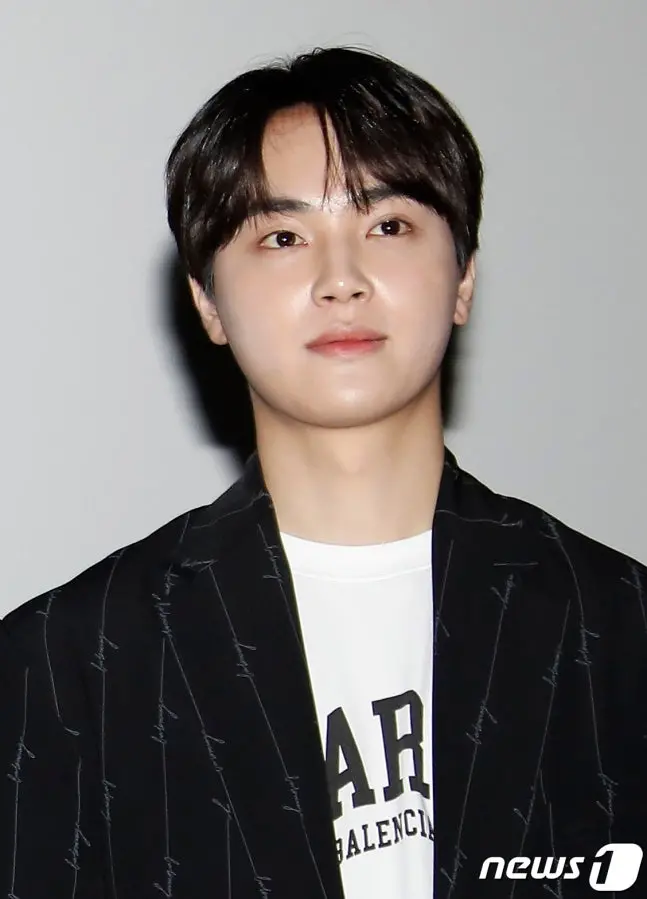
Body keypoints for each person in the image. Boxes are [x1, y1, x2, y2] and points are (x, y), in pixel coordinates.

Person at [1, 46, 645, 899]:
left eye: (386, 227)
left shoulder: (619, 626)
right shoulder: (64, 665)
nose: (340, 280)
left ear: (462, 277)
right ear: (206, 301)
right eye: (282, 236)